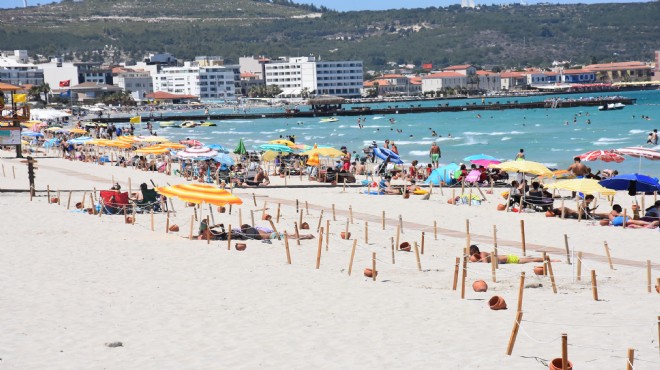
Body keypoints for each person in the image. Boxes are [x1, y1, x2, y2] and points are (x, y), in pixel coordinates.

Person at [469, 245, 559, 264]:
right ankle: (545, 259)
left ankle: (549, 260)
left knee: (530, 260)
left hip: (508, 259)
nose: (473, 256)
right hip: (505, 260)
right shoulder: (478, 256)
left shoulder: (483, 254)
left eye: (473, 254)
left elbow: (485, 263)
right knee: (527, 259)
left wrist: (476, 260)